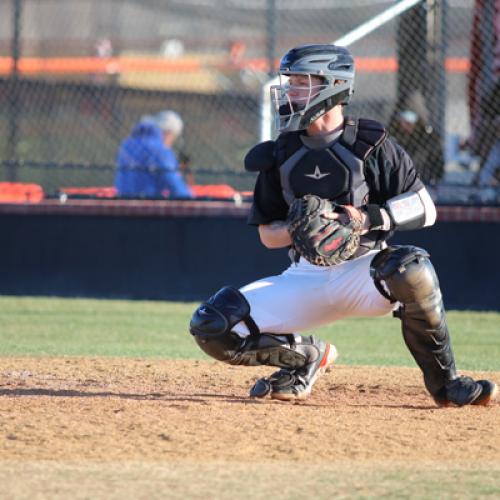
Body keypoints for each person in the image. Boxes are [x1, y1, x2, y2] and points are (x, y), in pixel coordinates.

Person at [189, 44, 497, 406]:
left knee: (412, 268)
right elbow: (267, 236)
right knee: (213, 326)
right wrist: (302, 227)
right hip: (306, 275)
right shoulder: (281, 152)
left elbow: (425, 208)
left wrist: (365, 219)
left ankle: (447, 385)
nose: (290, 92)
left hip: (365, 272)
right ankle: (305, 357)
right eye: (290, 82)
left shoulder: (371, 143)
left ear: (333, 86)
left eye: (302, 82)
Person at [114, 110, 193, 199]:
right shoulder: (159, 150)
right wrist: (191, 200)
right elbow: (174, 184)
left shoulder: (127, 144)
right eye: (173, 137)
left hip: (122, 201)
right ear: (168, 133)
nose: (171, 143)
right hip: (147, 205)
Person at [388, 91, 445, 186]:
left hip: (423, 183)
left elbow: (438, 170)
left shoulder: (430, 139)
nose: (405, 124)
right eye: (402, 120)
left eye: (410, 120)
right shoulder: (391, 138)